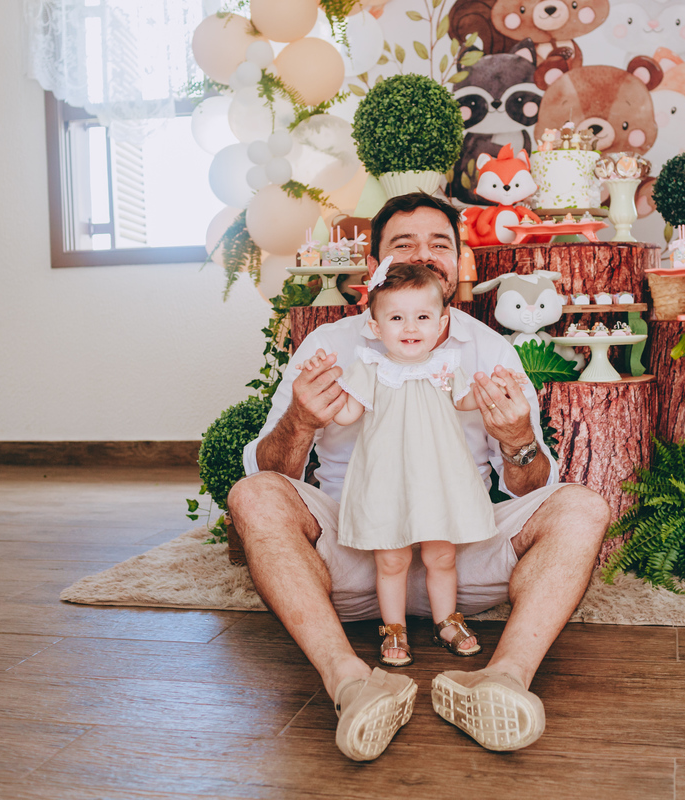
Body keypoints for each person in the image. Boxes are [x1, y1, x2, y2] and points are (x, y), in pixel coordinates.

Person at [229, 192, 611, 762]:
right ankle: (352, 683)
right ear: (373, 268)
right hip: (355, 547)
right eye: (403, 244)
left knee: (582, 506)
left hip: (459, 547)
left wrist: (517, 439)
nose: (424, 255)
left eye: (440, 244)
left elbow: (535, 488)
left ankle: (503, 680)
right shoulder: (330, 347)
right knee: (252, 495)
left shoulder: (488, 350)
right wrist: (302, 420)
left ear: (458, 266)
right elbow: (272, 473)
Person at [296, 259, 524, 668]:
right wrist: (322, 385)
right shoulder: (370, 367)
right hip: (387, 482)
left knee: (442, 555)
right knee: (392, 559)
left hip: (437, 481)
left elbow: (465, 401)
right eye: (397, 318)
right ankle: (394, 629)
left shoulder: (447, 366)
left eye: (422, 317)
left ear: (441, 324)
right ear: (376, 327)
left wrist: (498, 389)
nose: (410, 327)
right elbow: (347, 414)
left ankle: (447, 622)